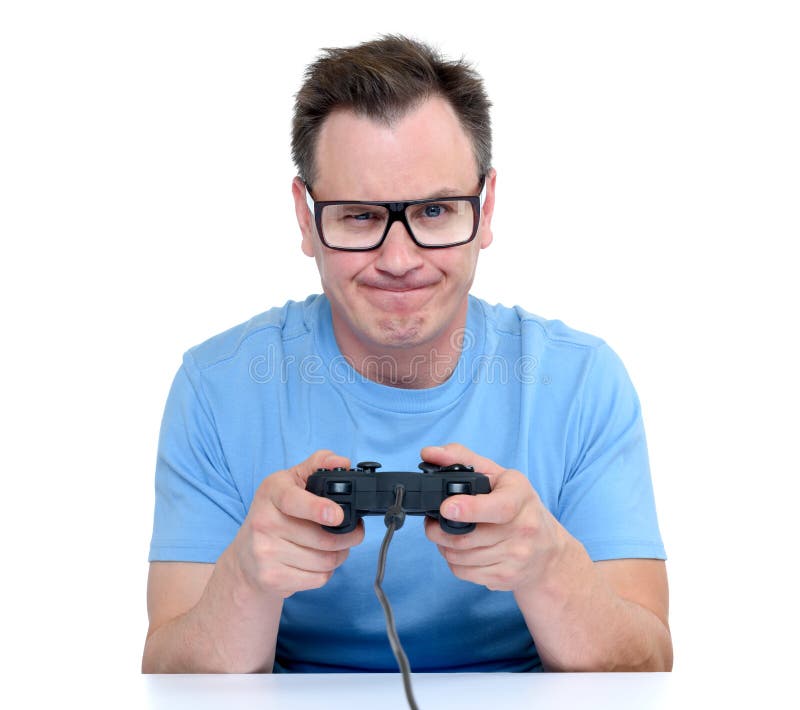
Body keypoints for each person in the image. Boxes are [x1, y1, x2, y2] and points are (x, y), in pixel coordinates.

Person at [142, 34, 672, 674]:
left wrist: (549, 568)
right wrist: (246, 582)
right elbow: (168, 679)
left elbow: (647, 669)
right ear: (307, 220)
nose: (399, 260)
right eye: (359, 217)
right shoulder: (216, 388)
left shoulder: (581, 381)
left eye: (436, 210)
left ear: (487, 208)